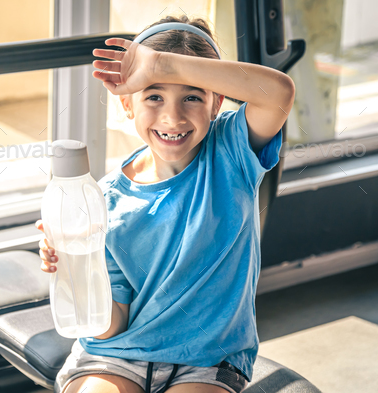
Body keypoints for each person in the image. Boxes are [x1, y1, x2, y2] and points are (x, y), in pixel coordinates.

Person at [35, 14, 294, 393]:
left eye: (192, 96)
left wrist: (158, 65)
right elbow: (113, 323)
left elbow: (279, 92)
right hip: (117, 355)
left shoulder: (232, 151)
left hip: (208, 361)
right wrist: (74, 271)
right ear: (127, 104)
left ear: (216, 102)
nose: (173, 117)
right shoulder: (103, 201)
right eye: (153, 96)